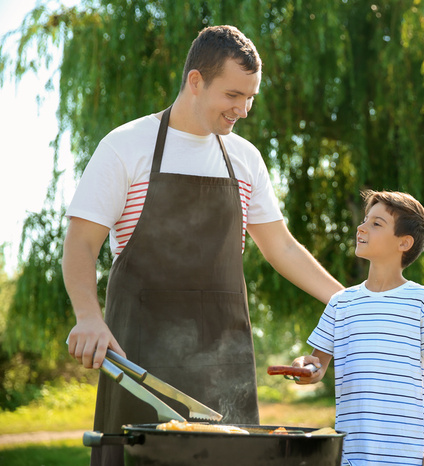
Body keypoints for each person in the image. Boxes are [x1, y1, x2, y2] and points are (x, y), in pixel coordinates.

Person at [62, 25, 343, 466]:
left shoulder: (245, 158)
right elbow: (80, 243)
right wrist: (88, 317)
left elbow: (281, 248)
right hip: (139, 354)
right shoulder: (125, 146)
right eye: (233, 95)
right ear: (195, 81)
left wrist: (349, 304)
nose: (244, 110)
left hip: (225, 350)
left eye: (250, 97)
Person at [292, 190, 424, 466]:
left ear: (404, 243)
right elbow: (317, 365)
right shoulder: (340, 303)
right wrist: (303, 368)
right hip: (352, 455)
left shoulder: (422, 301)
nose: (361, 227)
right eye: (365, 220)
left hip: (409, 454)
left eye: (376, 224)